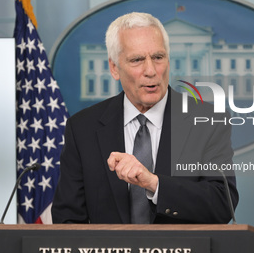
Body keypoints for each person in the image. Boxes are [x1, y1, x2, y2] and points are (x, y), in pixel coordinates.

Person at [52, 12, 238, 224]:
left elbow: (223, 203)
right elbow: (67, 219)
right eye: (137, 60)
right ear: (114, 68)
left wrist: (154, 184)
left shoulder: (208, 121)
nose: (151, 71)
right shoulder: (82, 128)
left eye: (158, 57)